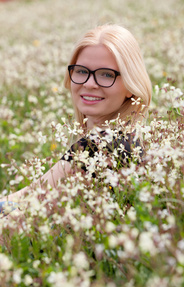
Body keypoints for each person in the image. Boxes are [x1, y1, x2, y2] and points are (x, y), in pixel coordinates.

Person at [0, 24, 151, 213]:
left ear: (131, 85)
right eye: (81, 71)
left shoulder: (103, 146)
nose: (89, 83)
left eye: (106, 74)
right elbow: (22, 201)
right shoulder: (125, 140)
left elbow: (22, 208)